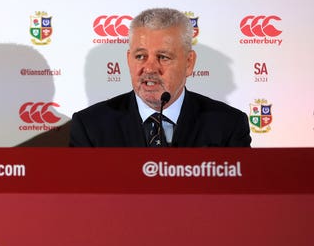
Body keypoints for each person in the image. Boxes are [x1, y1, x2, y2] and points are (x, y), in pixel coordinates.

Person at [69, 8, 251, 147]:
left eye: (163, 57)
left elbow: (241, 196)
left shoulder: (228, 125)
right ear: (128, 59)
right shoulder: (90, 126)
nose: (149, 68)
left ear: (189, 63)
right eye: (140, 56)